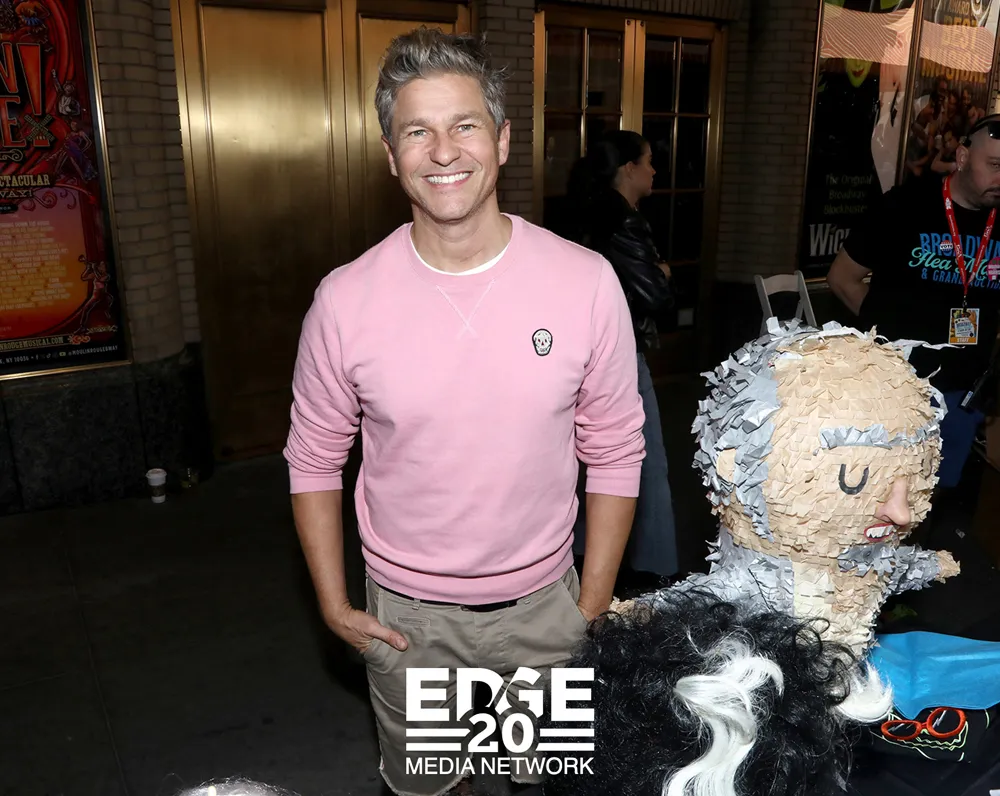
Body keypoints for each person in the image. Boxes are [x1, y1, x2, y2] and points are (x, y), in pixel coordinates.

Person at [283, 27, 645, 796]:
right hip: (412, 626)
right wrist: (333, 604)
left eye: (465, 125)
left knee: (546, 783)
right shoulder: (346, 301)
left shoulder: (584, 282)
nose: (443, 151)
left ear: (503, 140)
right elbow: (314, 456)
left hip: (547, 612)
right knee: (437, 788)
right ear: (391, 154)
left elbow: (615, 446)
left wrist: (590, 603)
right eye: (418, 131)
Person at [828, 113, 1000, 490]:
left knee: (942, 501)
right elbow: (842, 279)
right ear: (962, 157)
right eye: (995, 165)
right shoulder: (904, 206)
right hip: (898, 392)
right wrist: (890, 334)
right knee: (884, 500)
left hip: (964, 397)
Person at [566, 131, 678, 583]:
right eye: (648, 161)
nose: (654, 170)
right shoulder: (623, 221)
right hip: (619, 352)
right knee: (645, 460)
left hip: (576, 349)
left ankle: (577, 555)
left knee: (585, 459)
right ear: (628, 169)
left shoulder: (581, 211)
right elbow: (656, 296)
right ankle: (655, 569)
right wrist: (663, 273)